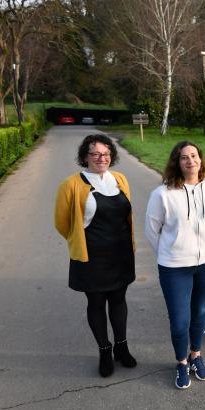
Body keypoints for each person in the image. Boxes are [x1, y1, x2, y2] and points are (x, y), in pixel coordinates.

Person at [54, 134, 137, 378]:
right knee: (97, 303)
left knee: (119, 300)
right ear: (85, 157)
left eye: (107, 154)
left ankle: (122, 347)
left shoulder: (120, 179)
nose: (102, 158)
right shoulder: (71, 185)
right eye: (96, 154)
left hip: (120, 254)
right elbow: (62, 223)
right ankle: (104, 350)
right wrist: (78, 241)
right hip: (92, 256)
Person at [145, 141, 205, 389]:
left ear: (201, 160)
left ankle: (196, 356)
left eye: (194, 156)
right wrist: (171, 254)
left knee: (199, 312)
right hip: (174, 267)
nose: (190, 161)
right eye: (184, 157)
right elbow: (152, 230)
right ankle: (181, 362)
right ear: (176, 163)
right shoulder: (162, 194)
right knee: (180, 320)